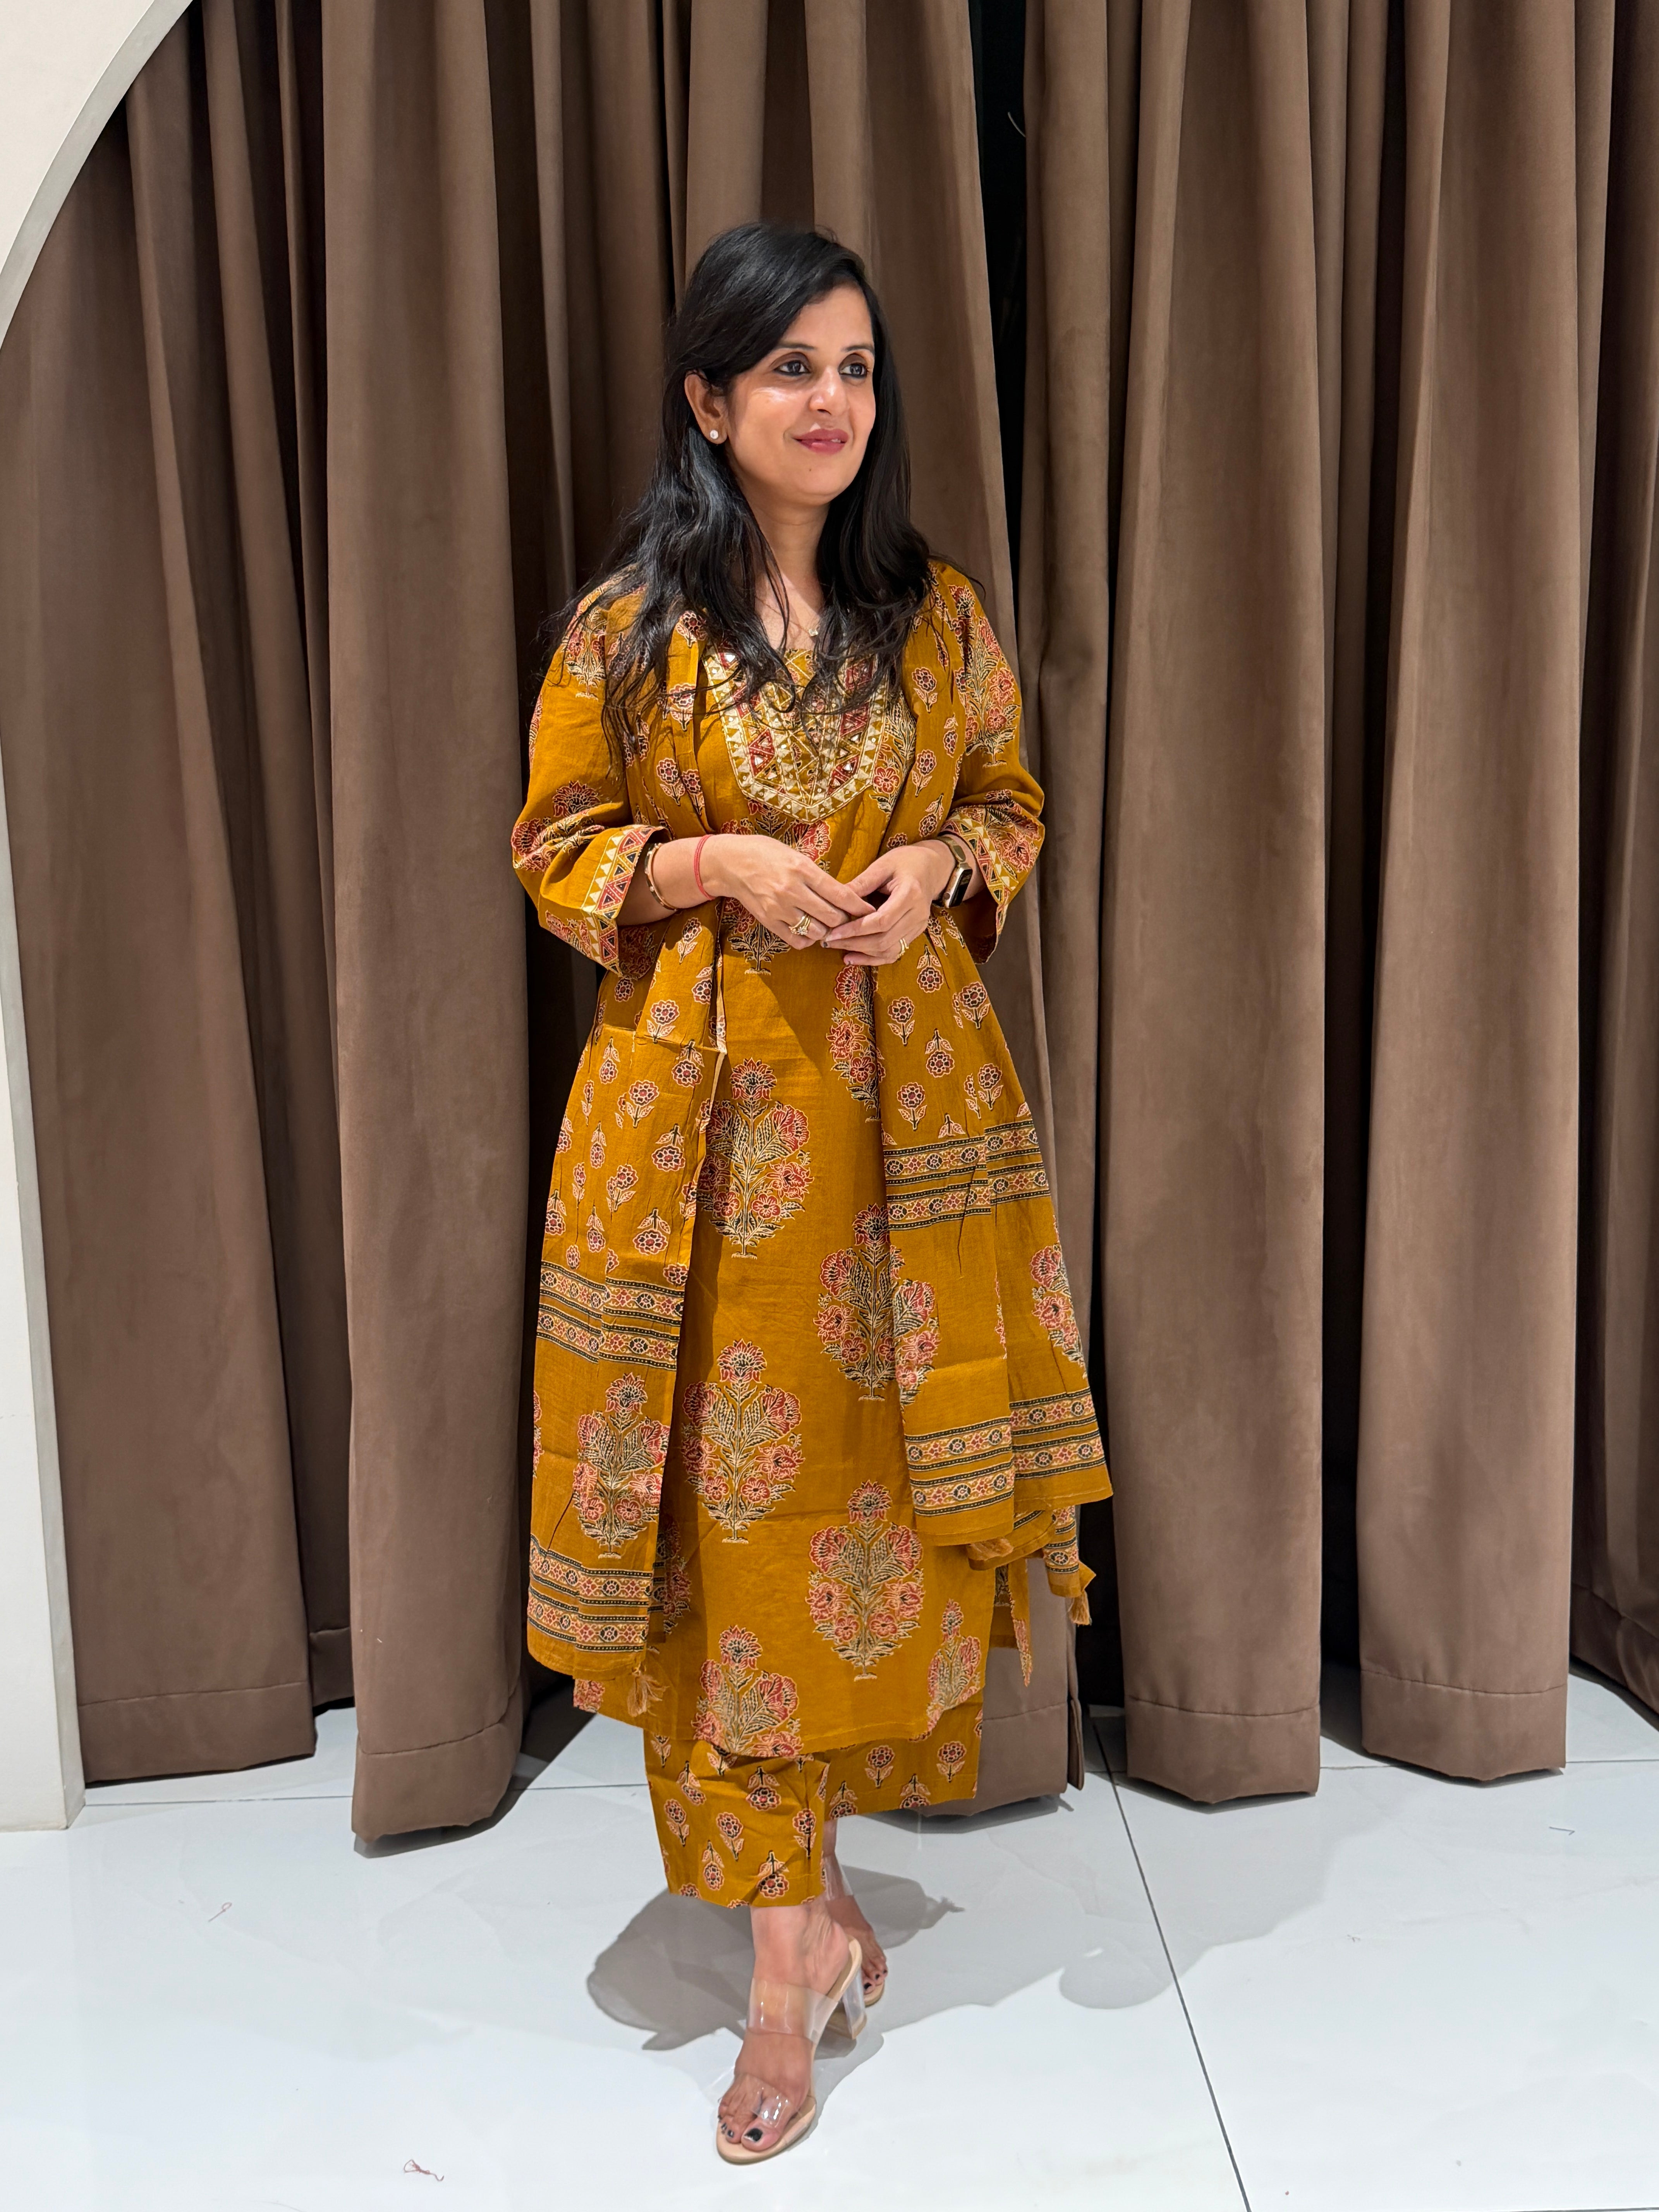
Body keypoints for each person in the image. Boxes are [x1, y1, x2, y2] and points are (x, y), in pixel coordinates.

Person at [511, 222, 1110, 2164]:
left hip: (904, 1149)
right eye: (791, 368)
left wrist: (938, 865)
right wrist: (715, 870)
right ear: (710, 400)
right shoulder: (631, 631)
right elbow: (554, 844)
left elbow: (1010, 801)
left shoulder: (934, 617)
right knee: (720, 1541)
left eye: (855, 367)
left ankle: (818, 1903)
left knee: (865, 1527)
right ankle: (790, 1972)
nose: (832, 400)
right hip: (696, 1150)